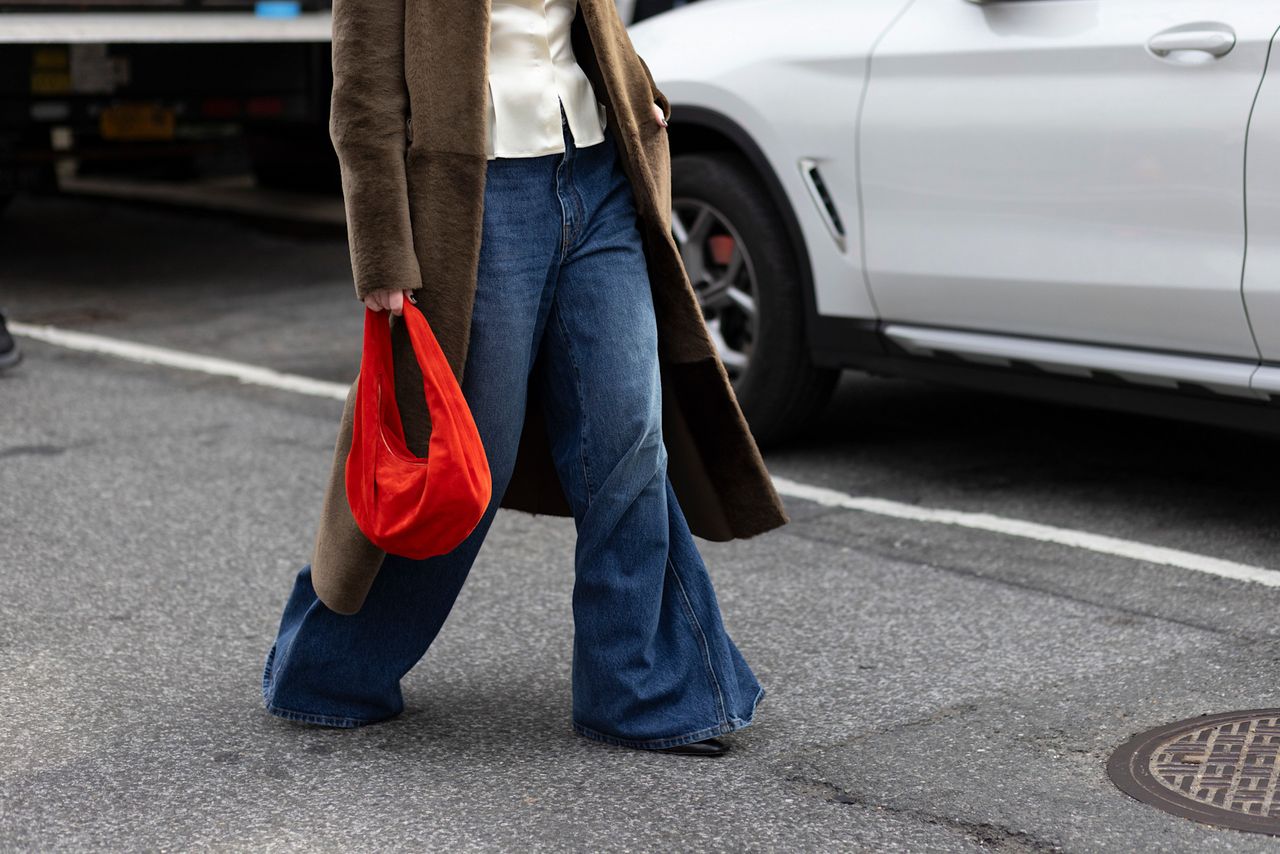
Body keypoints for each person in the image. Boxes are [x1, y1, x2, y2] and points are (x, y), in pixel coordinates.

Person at [260, 0, 773, 756]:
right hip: (477, 199)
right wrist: (381, 248)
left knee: (628, 434)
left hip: (597, 176)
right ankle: (329, 669)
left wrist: (641, 94)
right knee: (465, 458)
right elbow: (362, 88)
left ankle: (637, 690)